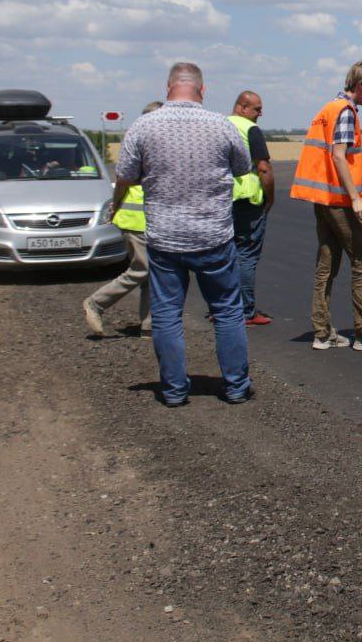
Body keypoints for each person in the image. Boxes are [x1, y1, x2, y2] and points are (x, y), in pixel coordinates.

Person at [113, 63, 255, 407]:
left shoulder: (143, 127)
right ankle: (236, 386)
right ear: (202, 90)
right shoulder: (221, 126)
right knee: (226, 310)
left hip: (165, 238)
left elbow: (125, 176)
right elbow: (243, 168)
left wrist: (119, 203)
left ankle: (175, 390)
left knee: (166, 314)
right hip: (213, 237)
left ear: (168, 87)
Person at [291, 60, 362, 352]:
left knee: (325, 266)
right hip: (340, 201)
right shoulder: (346, 111)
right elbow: (339, 156)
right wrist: (355, 199)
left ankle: (322, 333)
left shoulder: (328, 108)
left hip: (323, 200)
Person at [83, 100, 162, 336]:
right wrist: (115, 209)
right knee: (143, 269)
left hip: (152, 219)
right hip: (136, 218)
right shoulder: (140, 144)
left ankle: (150, 325)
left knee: (153, 273)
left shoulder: (151, 142)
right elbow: (124, 180)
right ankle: (96, 303)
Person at [228, 91, 274, 326]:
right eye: (257, 108)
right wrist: (270, 197)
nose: (260, 113)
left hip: (220, 200)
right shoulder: (250, 129)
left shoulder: (220, 125)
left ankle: (223, 307)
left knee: (225, 256)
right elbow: (263, 168)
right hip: (247, 199)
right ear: (243, 107)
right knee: (246, 255)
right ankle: (246, 311)